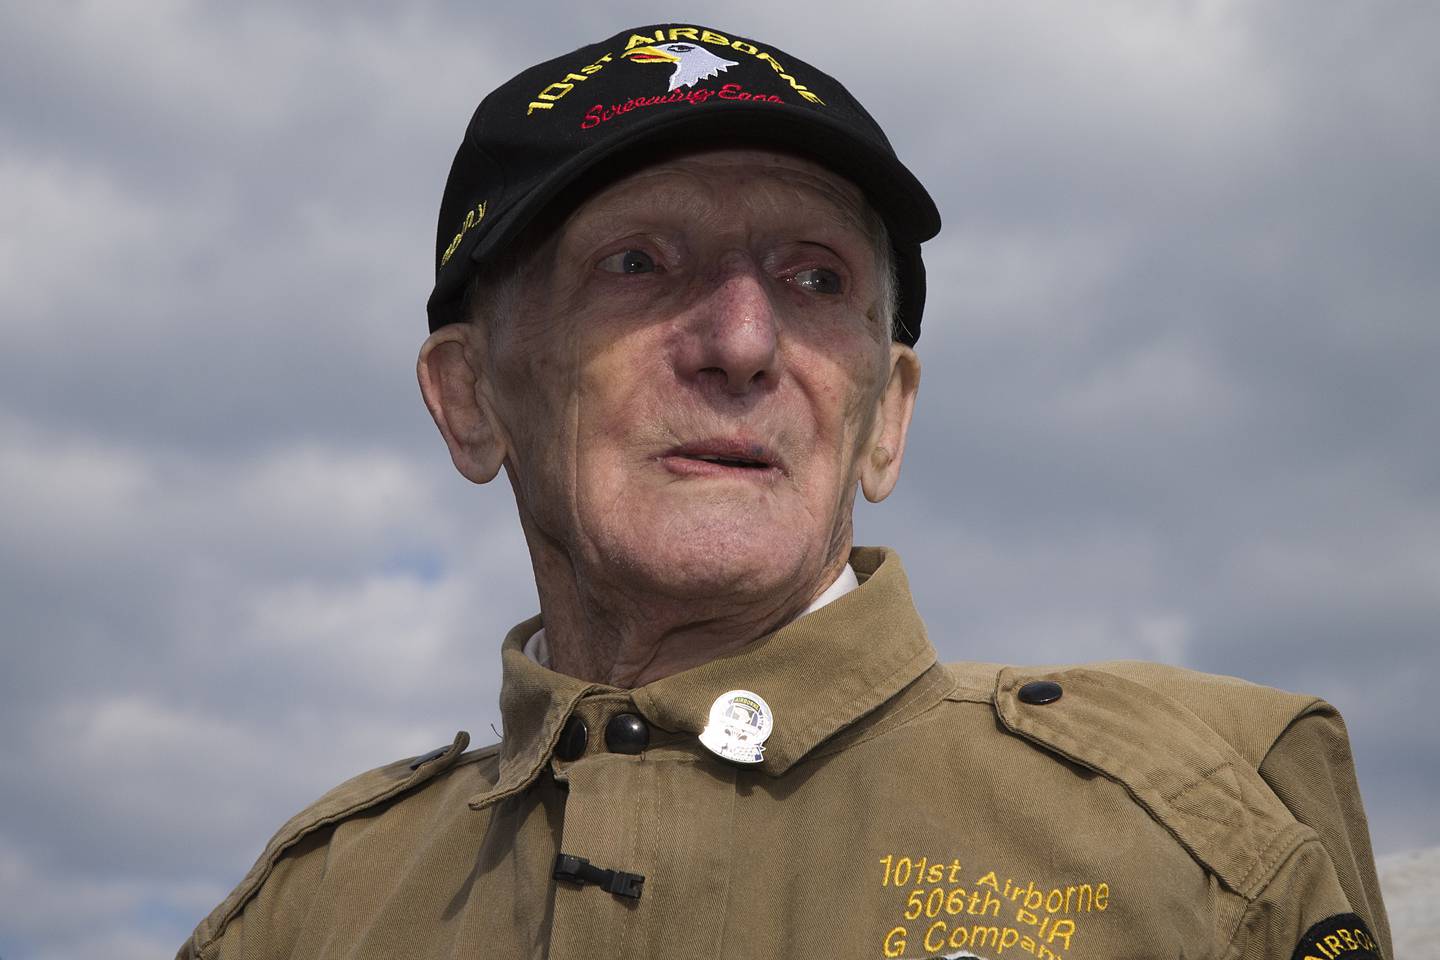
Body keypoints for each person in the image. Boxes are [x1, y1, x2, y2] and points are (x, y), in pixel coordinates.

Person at [179, 22, 1391, 960]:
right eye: (638, 262)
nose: (743, 342)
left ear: (886, 418)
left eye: (816, 280)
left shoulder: (1197, 836)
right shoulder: (314, 913)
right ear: (471, 398)